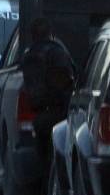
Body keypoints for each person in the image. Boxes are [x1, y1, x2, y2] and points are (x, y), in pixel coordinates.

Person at [21, 18, 76, 171]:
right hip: (58, 116)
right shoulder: (57, 53)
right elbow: (67, 82)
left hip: (39, 116)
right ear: (50, 33)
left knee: (42, 161)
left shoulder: (29, 55)